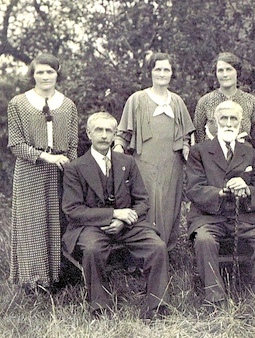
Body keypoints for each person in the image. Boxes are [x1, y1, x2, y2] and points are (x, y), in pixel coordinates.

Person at [62, 112, 169, 320]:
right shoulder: (75, 168)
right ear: (89, 133)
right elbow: (73, 210)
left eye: (108, 131)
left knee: (157, 246)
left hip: (127, 226)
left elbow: (143, 201)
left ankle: (156, 307)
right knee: (93, 250)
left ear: (114, 135)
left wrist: (122, 219)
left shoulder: (127, 162)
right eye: (99, 130)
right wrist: (112, 214)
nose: (103, 135)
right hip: (90, 227)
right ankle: (100, 308)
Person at [186, 100, 255, 306]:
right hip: (209, 217)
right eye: (224, 119)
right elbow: (194, 188)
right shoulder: (199, 152)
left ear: (241, 123)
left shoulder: (253, 154)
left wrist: (247, 190)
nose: (229, 123)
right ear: (214, 123)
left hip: (247, 217)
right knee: (204, 241)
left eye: (234, 119)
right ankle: (215, 298)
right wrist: (221, 192)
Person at [7, 53, 78, 293]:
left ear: (57, 73)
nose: (45, 76)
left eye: (50, 71)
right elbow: (15, 144)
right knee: (33, 224)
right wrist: (45, 156)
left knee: (60, 221)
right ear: (33, 75)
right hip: (31, 170)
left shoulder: (67, 105)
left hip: (59, 171)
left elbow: (73, 145)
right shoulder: (19, 103)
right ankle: (34, 281)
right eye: (40, 72)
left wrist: (71, 170)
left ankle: (58, 278)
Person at [114, 52, 195, 256]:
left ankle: (166, 253)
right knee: (146, 206)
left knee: (170, 208)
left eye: (166, 69)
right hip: (143, 164)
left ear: (171, 73)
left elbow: (186, 137)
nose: (162, 73)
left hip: (172, 165)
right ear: (150, 72)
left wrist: (187, 148)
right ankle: (143, 256)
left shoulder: (177, 102)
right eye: (157, 69)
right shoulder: (137, 99)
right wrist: (117, 152)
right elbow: (122, 135)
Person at [193, 52, 255, 147]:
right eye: (220, 70)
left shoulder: (250, 101)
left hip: (243, 157)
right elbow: (199, 136)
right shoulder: (205, 101)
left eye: (229, 69)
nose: (225, 74)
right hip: (212, 157)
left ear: (237, 71)